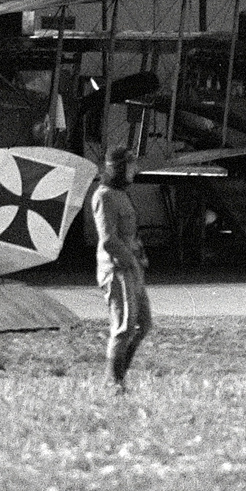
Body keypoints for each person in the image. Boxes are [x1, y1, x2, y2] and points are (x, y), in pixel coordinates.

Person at [91, 145, 151, 392]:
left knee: (143, 324)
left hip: (131, 267)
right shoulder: (104, 196)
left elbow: (129, 233)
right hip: (116, 269)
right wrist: (131, 261)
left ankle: (118, 376)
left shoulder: (122, 194)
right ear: (118, 169)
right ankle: (114, 382)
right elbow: (109, 239)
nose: (134, 171)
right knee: (124, 326)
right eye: (130, 166)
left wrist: (141, 254)